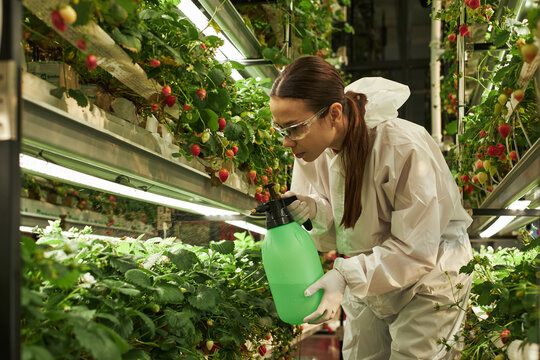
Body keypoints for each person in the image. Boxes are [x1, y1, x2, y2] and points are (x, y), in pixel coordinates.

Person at [270, 56, 473, 360]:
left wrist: (345, 276)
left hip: (429, 278)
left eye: (295, 128)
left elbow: (416, 250)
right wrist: (313, 211)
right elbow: (341, 231)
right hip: (369, 275)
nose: (287, 142)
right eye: (280, 129)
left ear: (334, 114)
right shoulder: (310, 152)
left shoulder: (402, 146)